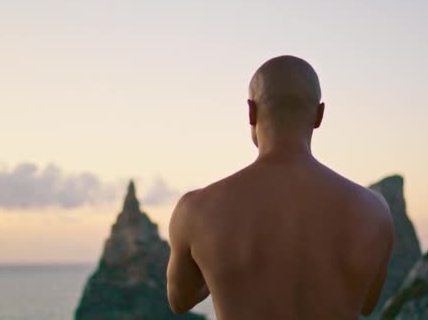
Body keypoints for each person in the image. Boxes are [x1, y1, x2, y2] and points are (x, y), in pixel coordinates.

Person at [167, 55, 394, 319]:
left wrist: (218, 265)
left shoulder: (195, 209)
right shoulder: (375, 211)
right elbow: (366, 304)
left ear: (250, 111)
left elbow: (179, 301)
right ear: (319, 116)